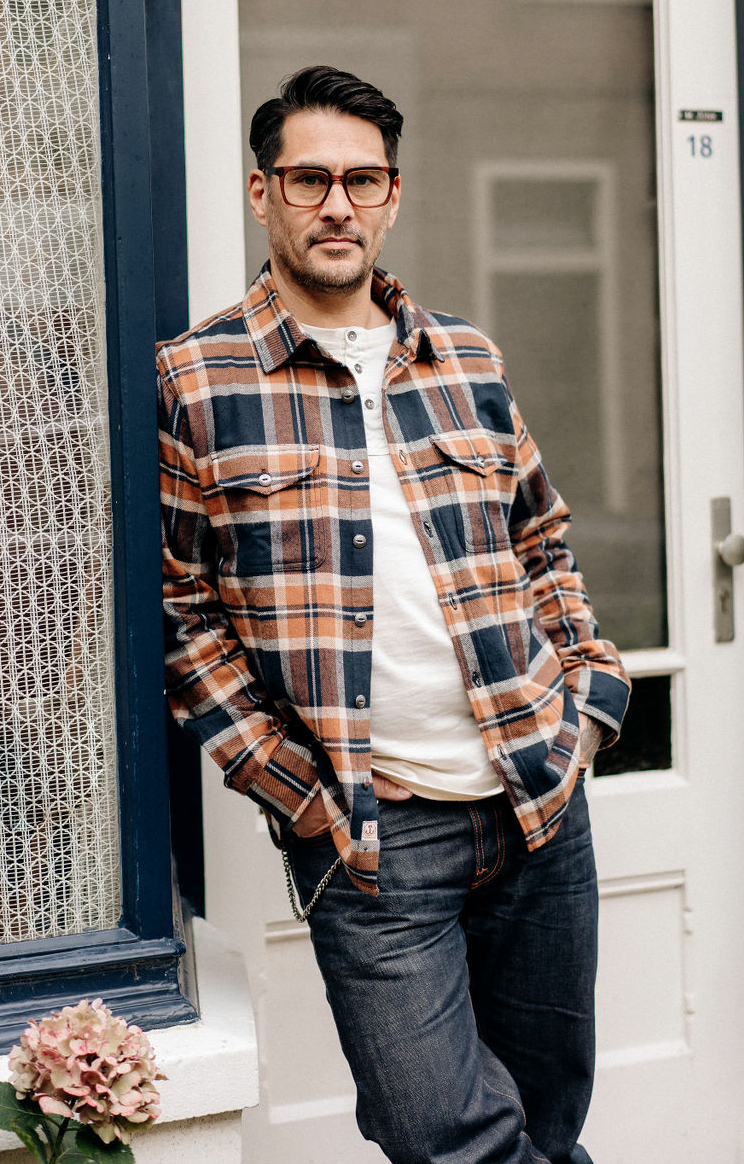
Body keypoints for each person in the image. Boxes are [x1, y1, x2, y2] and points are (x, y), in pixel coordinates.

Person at [158, 64, 630, 1164]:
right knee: (445, 1138)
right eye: (309, 178)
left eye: (361, 180)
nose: (338, 204)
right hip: (374, 838)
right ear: (262, 192)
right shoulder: (197, 380)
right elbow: (186, 616)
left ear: (393, 194)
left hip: (537, 798)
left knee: (548, 1124)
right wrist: (299, 793)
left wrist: (587, 708)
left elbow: (541, 544)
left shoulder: (467, 357)